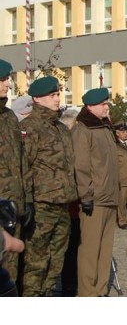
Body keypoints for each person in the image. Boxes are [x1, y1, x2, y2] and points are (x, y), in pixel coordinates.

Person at [19, 76, 78, 296]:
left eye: (57, 94)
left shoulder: (61, 129)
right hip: (41, 205)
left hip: (63, 203)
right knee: (36, 261)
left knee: (57, 259)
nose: (57, 99)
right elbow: (24, 167)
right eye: (52, 95)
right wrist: (27, 203)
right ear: (37, 98)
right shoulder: (29, 128)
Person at [72, 87, 119, 297]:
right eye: (102, 104)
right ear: (90, 107)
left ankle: (100, 290)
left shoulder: (105, 128)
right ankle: (87, 293)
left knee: (105, 249)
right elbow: (80, 166)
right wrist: (86, 195)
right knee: (90, 250)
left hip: (109, 197)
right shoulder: (83, 130)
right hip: (95, 199)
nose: (106, 107)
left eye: (107, 104)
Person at [0, 59, 30, 289]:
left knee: (13, 271)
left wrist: (25, 199)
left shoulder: (9, 117)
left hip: (14, 205)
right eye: (1, 80)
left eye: (7, 79)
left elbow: (20, 161)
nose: (6, 84)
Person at [58, 108, 80, 297]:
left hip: (76, 204)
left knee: (74, 247)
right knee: (69, 249)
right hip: (68, 205)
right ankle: (68, 285)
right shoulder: (66, 145)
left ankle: (71, 283)